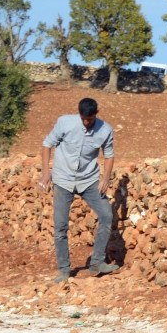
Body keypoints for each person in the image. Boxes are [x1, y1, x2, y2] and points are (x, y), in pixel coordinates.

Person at [40, 97, 118, 284]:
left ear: (95, 115)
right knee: (60, 225)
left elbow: (109, 155)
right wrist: (45, 174)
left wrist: (105, 178)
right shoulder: (64, 123)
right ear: (79, 114)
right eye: (83, 118)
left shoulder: (105, 130)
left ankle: (97, 262)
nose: (86, 122)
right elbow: (47, 144)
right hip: (63, 179)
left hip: (89, 180)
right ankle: (64, 270)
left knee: (106, 215)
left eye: (90, 119)